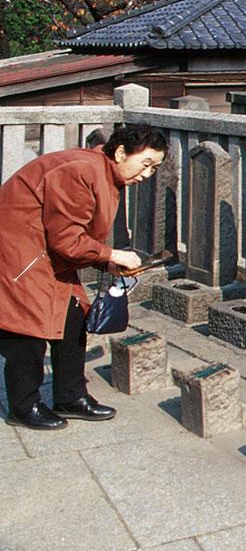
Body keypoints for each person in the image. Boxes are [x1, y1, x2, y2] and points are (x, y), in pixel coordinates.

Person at [0, 124, 167, 430]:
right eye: (145, 164)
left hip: (45, 252)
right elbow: (66, 239)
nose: (147, 174)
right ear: (120, 152)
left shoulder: (102, 172)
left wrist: (106, 262)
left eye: (154, 168)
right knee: (27, 329)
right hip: (19, 254)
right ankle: (23, 407)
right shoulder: (81, 171)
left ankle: (71, 397)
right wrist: (112, 255)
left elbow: (70, 235)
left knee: (73, 316)